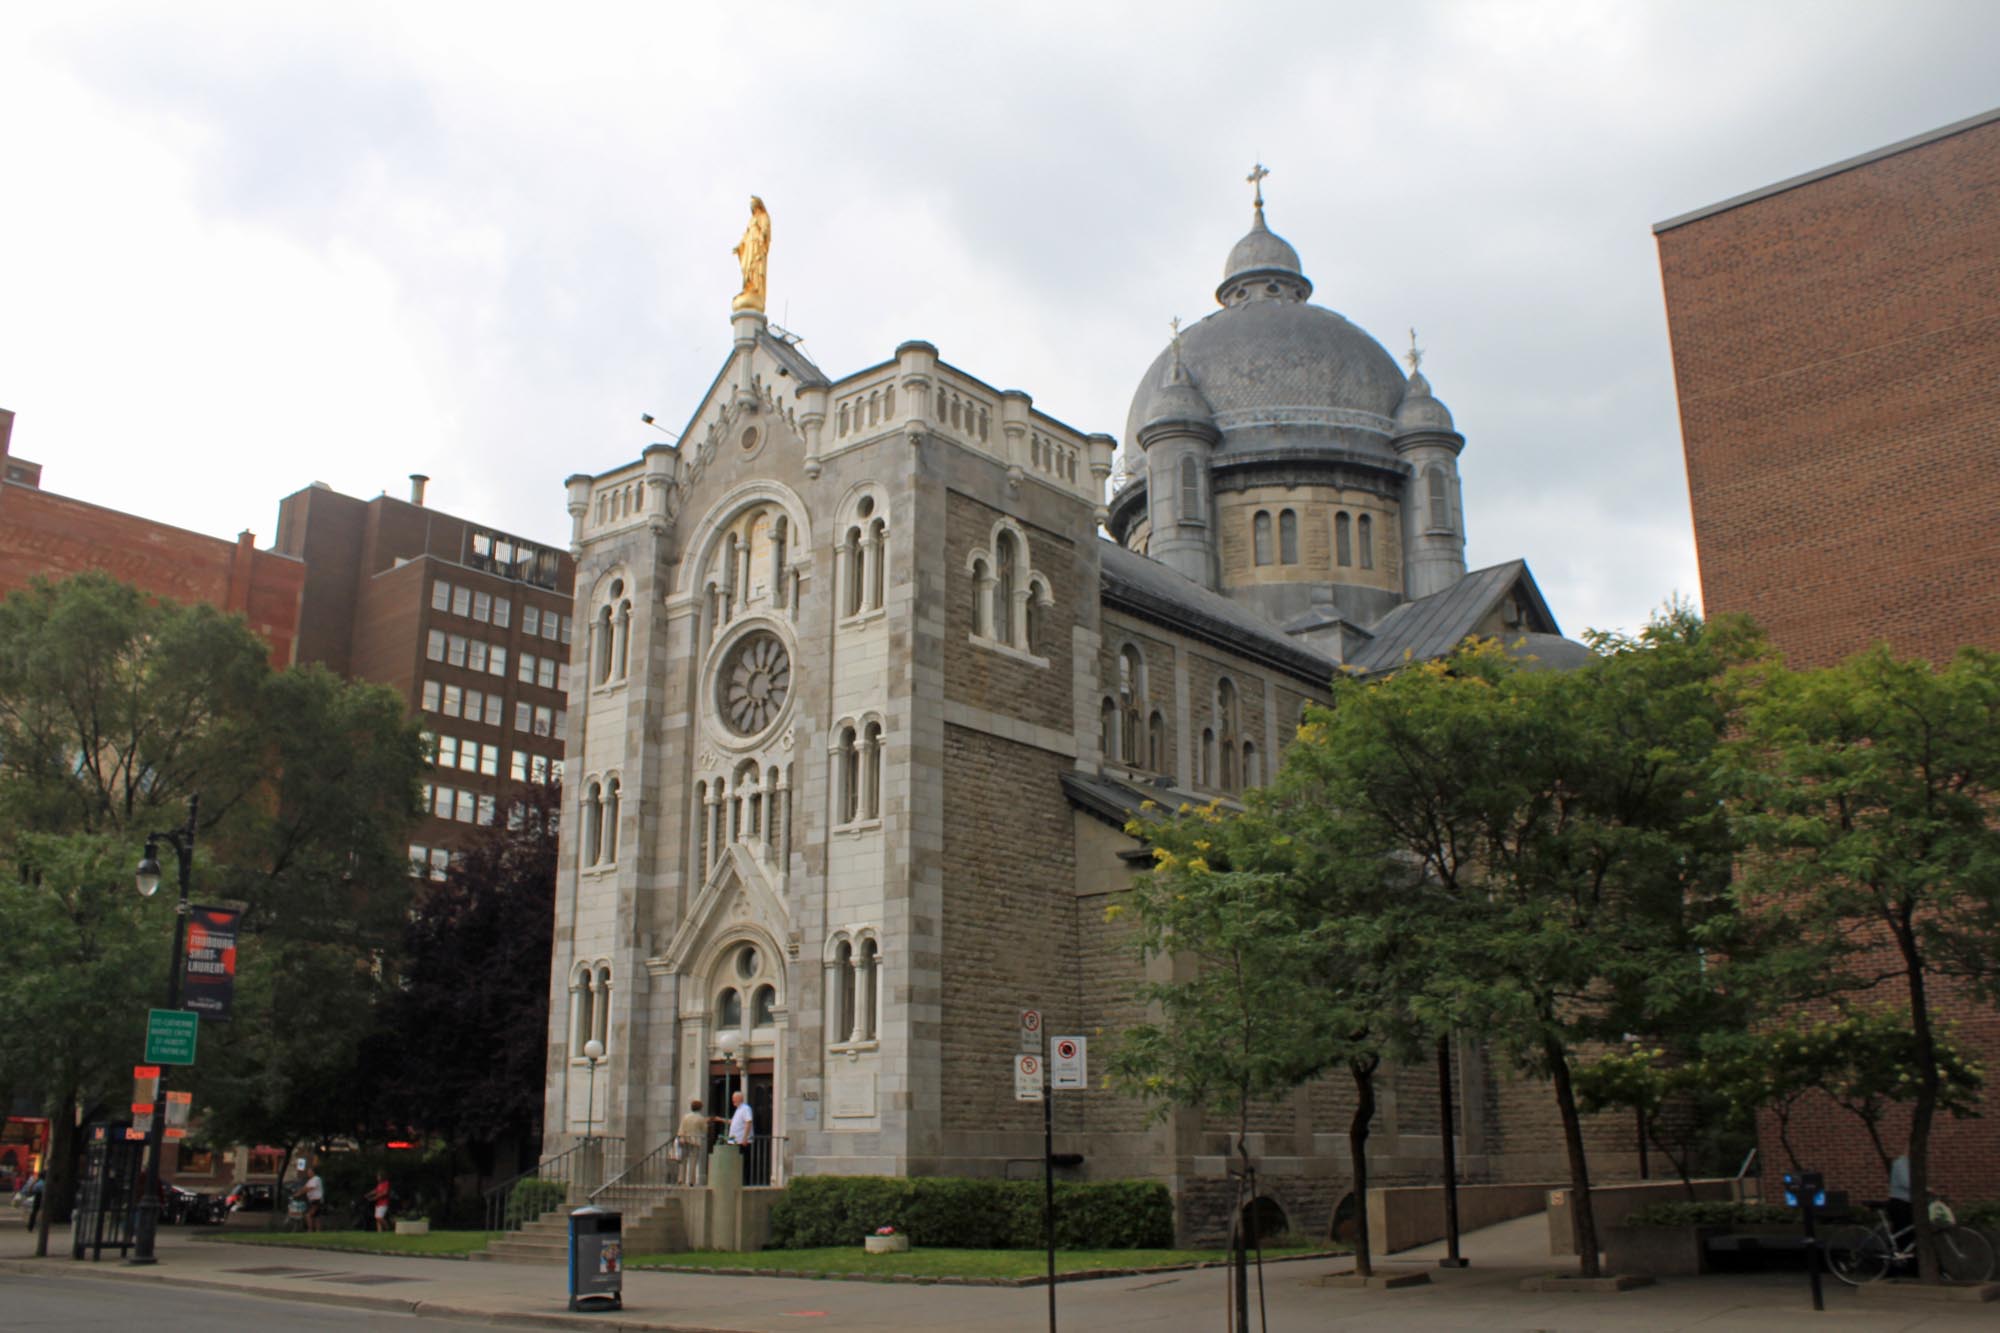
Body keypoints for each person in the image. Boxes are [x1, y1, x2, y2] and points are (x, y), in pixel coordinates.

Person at [675, 1099, 709, 1186]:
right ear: (700, 1108)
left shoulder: (685, 1117)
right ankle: (691, 1180)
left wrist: (681, 1137)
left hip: (685, 1139)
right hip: (695, 1141)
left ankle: (681, 1178)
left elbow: (681, 1128)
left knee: (683, 1160)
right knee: (693, 1161)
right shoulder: (701, 1118)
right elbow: (704, 1130)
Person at [303, 1164, 326, 1233]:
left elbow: (310, 1188)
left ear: (313, 1172)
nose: (308, 1173)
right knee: (316, 1216)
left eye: (310, 1172)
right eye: (308, 1172)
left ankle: (310, 1230)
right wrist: (298, 1193)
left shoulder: (316, 1179)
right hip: (312, 1200)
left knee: (308, 1215)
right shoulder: (309, 1181)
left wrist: (301, 1192)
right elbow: (304, 1188)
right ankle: (318, 1230)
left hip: (317, 1200)